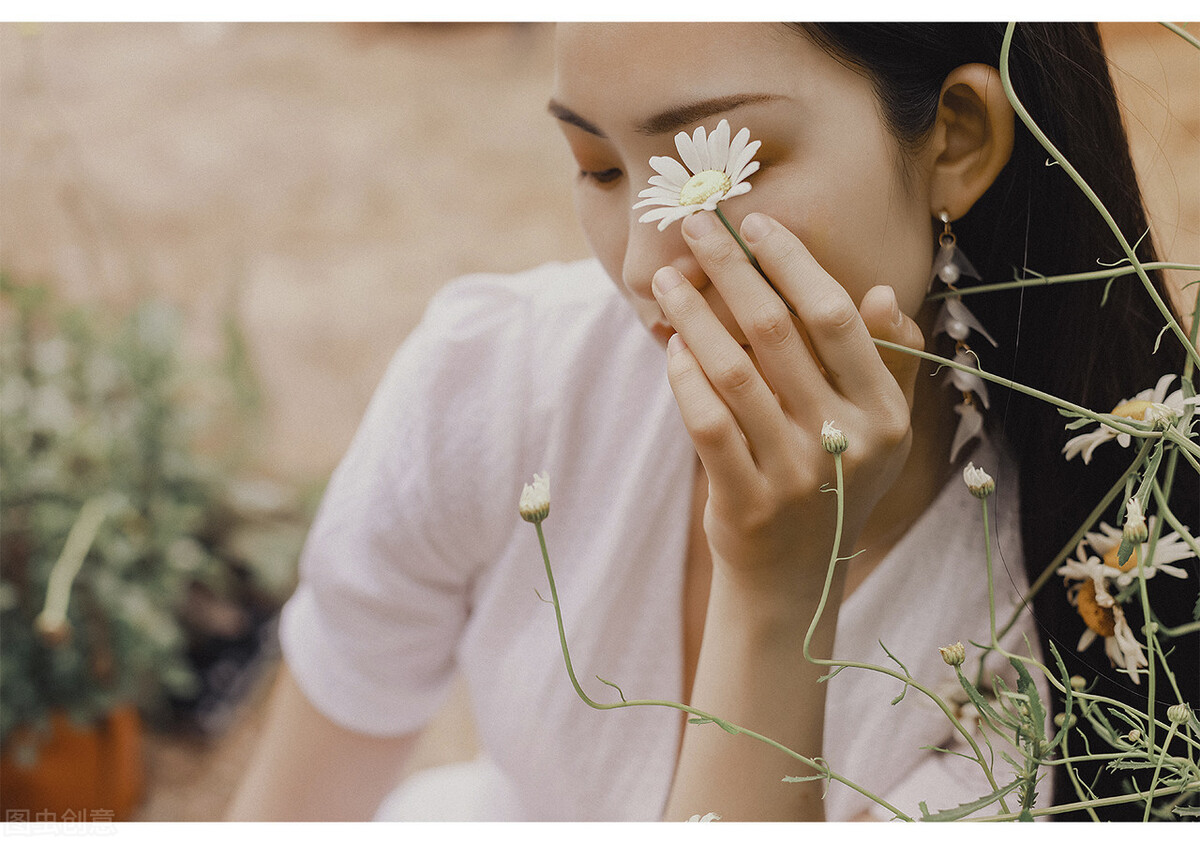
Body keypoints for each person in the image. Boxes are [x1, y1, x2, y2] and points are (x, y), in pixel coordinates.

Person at [227, 23, 1198, 822]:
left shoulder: (1086, 614)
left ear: (956, 138)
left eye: (719, 162)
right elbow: (295, 803)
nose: (647, 262)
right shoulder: (500, 379)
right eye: (601, 168)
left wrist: (775, 597)